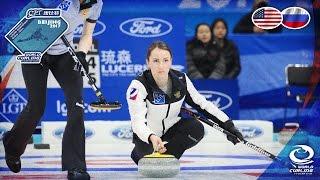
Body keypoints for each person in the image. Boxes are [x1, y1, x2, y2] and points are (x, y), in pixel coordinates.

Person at [2, 0, 103, 179]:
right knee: (36, 107)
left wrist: (81, 54)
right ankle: (12, 147)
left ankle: (76, 167)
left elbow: (87, 34)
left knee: (77, 105)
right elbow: (25, 16)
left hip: (64, 53)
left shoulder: (96, 4)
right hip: (35, 49)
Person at [126, 41, 244, 165]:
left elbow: (203, 105)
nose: (161, 66)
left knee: (196, 128)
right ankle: (140, 152)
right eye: (156, 61)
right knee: (144, 160)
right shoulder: (138, 86)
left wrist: (229, 126)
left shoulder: (181, 80)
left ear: (171, 61)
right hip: (148, 135)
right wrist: (151, 137)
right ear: (148, 62)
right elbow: (137, 122)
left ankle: (168, 156)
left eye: (165, 60)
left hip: (172, 128)